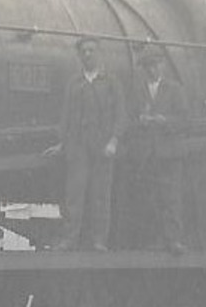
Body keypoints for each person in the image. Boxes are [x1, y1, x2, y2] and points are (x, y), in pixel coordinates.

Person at [53, 37, 126, 251]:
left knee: (100, 196)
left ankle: (99, 240)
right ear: (79, 55)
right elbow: (66, 116)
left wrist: (113, 141)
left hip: (102, 147)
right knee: (74, 195)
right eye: (84, 51)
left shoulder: (111, 82)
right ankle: (70, 239)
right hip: (78, 147)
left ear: (99, 53)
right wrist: (62, 143)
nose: (88, 54)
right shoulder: (74, 83)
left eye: (91, 50)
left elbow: (121, 115)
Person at [124, 49, 191, 254]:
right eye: (148, 66)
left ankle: (174, 240)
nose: (152, 70)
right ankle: (157, 239)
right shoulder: (138, 91)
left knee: (171, 197)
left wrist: (165, 121)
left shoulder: (174, 89)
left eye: (155, 65)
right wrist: (140, 122)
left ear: (162, 66)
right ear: (144, 69)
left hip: (168, 152)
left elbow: (185, 121)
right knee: (151, 197)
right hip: (146, 153)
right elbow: (129, 120)